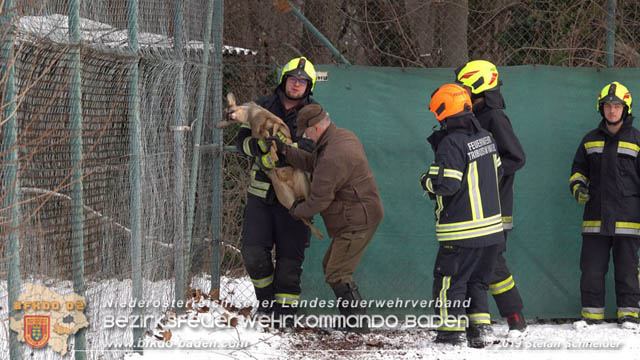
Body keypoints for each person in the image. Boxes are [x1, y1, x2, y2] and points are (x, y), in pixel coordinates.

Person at [269, 104, 384, 333]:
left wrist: (294, 210)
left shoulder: (333, 155)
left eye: (306, 132)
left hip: (357, 220)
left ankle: (357, 325)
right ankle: (353, 321)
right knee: (331, 267)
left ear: (317, 127)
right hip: (360, 214)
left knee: (337, 272)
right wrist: (285, 151)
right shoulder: (339, 138)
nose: (304, 136)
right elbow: (313, 162)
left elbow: (318, 201)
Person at [233, 56, 318, 322]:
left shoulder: (315, 113)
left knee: (290, 261)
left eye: (302, 81)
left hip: (296, 198)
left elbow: (321, 150)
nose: (296, 84)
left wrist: (298, 151)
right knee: (254, 252)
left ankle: (286, 315)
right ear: (284, 80)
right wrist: (257, 147)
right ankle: (266, 305)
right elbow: (241, 142)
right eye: (293, 78)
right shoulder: (262, 106)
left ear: (309, 86)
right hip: (261, 195)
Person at [421, 84, 504, 346]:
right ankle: (479, 331)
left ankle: (450, 333)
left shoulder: (451, 143)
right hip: (492, 232)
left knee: (450, 282)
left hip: (461, 230)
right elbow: (499, 172)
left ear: (444, 111)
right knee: (478, 282)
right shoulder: (486, 138)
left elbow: (448, 184)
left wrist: (427, 180)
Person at [455, 60, 528, 334]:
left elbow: (517, 158)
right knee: (473, 263)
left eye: (465, 86)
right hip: (476, 206)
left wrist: (490, 173)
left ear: (478, 86)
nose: (461, 91)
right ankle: (477, 322)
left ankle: (515, 317)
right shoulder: (473, 116)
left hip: (496, 206)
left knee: (492, 263)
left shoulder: (494, 117)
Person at [569, 81, 640, 329]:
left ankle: (629, 315)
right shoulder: (589, 141)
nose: (612, 111)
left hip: (628, 220)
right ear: (601, 109)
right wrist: (578, 188)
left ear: (625, 109)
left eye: (617, 106)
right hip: (595, 220)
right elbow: (578, 171)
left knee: (628, 270)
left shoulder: (637, 140)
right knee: (591, 269)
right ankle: (591, 316)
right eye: (608, 106)